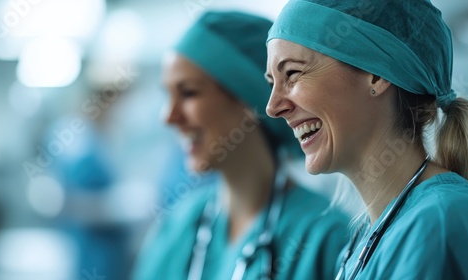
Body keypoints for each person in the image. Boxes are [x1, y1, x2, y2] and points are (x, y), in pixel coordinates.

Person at [132, 11, 349, 280]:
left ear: (249, 99)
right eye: (168, 95)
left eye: (188, 93)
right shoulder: (178, 227)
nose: (168, 117)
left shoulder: (323, 237)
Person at [264, 0, 468, 279]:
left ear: (376, 75)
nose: (273, 107)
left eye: (292, 73)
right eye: (271, 83)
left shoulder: (439, 222)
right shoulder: (361, 244)